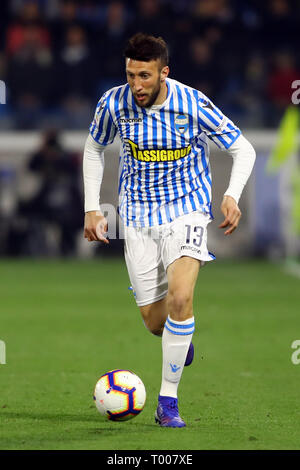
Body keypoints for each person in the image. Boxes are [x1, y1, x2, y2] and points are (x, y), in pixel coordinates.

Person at [83, 33, 256, 427]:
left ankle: (167, 403)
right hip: (139, 219)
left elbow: (242, 148)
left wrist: (231, 195)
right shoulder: (113, 103)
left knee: (181, 299)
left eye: (144, 76)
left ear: (164, 72)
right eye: (130, 75)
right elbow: (93, 148)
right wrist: (92, 207)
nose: (136, 85)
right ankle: (180, 341)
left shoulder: (192, 103)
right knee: (155, 322)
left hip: (187, 212)